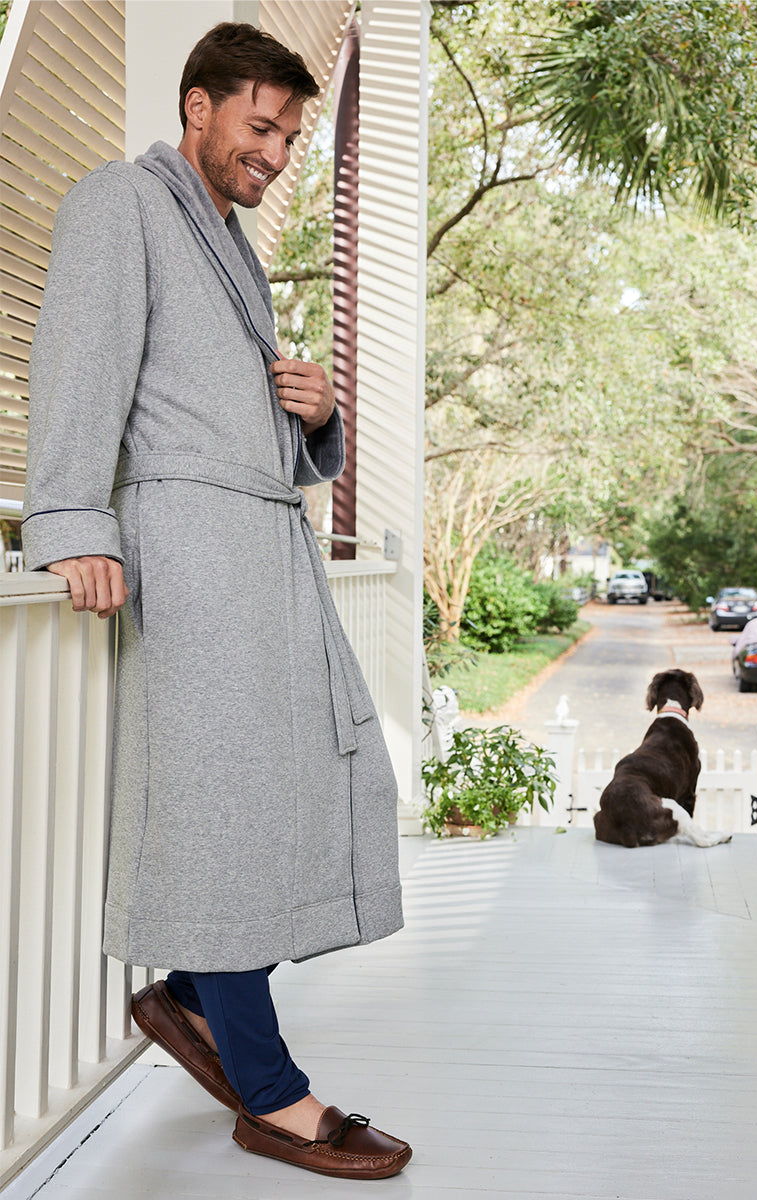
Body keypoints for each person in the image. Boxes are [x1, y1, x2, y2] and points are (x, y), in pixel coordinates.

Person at [22, 22, 410, 1181]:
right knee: (224, 815)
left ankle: (191, 995)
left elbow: (250, 437)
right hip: (189, 558)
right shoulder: (119, 204)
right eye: (260, 125)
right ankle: (270, 1092)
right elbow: (74, 367)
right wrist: (75, 526)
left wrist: (313, 413)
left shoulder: (229, 242)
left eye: (291, 133)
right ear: (198, 108)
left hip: (259, 551)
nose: (278, 151)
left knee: (309, 795)